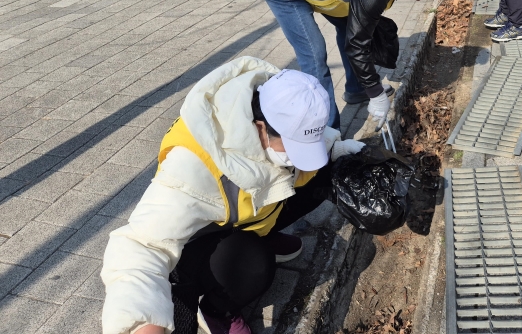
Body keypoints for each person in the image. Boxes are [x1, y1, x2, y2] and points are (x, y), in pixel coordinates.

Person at [101, 60, 367, 334]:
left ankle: (259, 233)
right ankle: (216, 309)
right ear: (261, 127)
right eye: (293, 147)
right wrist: (141, 323)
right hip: (195, 241)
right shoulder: (193, 165)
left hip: (239, 214)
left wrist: (344, 151)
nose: (299, 158)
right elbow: (141, 245)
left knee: (324, 176)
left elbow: (314, 141)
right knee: (255, 264)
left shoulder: (275, 102)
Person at [260, 0, 454, 130]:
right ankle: (328, 132)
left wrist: (370, 86)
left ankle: (356, 89)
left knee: (350, 28)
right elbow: (357, 45)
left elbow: (356, 35)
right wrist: (376, 94)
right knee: (314, 54)